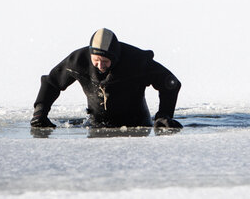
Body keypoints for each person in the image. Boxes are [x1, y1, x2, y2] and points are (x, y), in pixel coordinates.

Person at [31, 28, 182, 130]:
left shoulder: (135, 61)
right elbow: (51, 82)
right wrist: (40, 112)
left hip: (137, 127)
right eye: (96, 60)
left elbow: (170, 83)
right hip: (96, 126)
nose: (100, 65)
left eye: (105, 61)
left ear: (115, 58)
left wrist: (164, 115)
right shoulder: (78, 61)